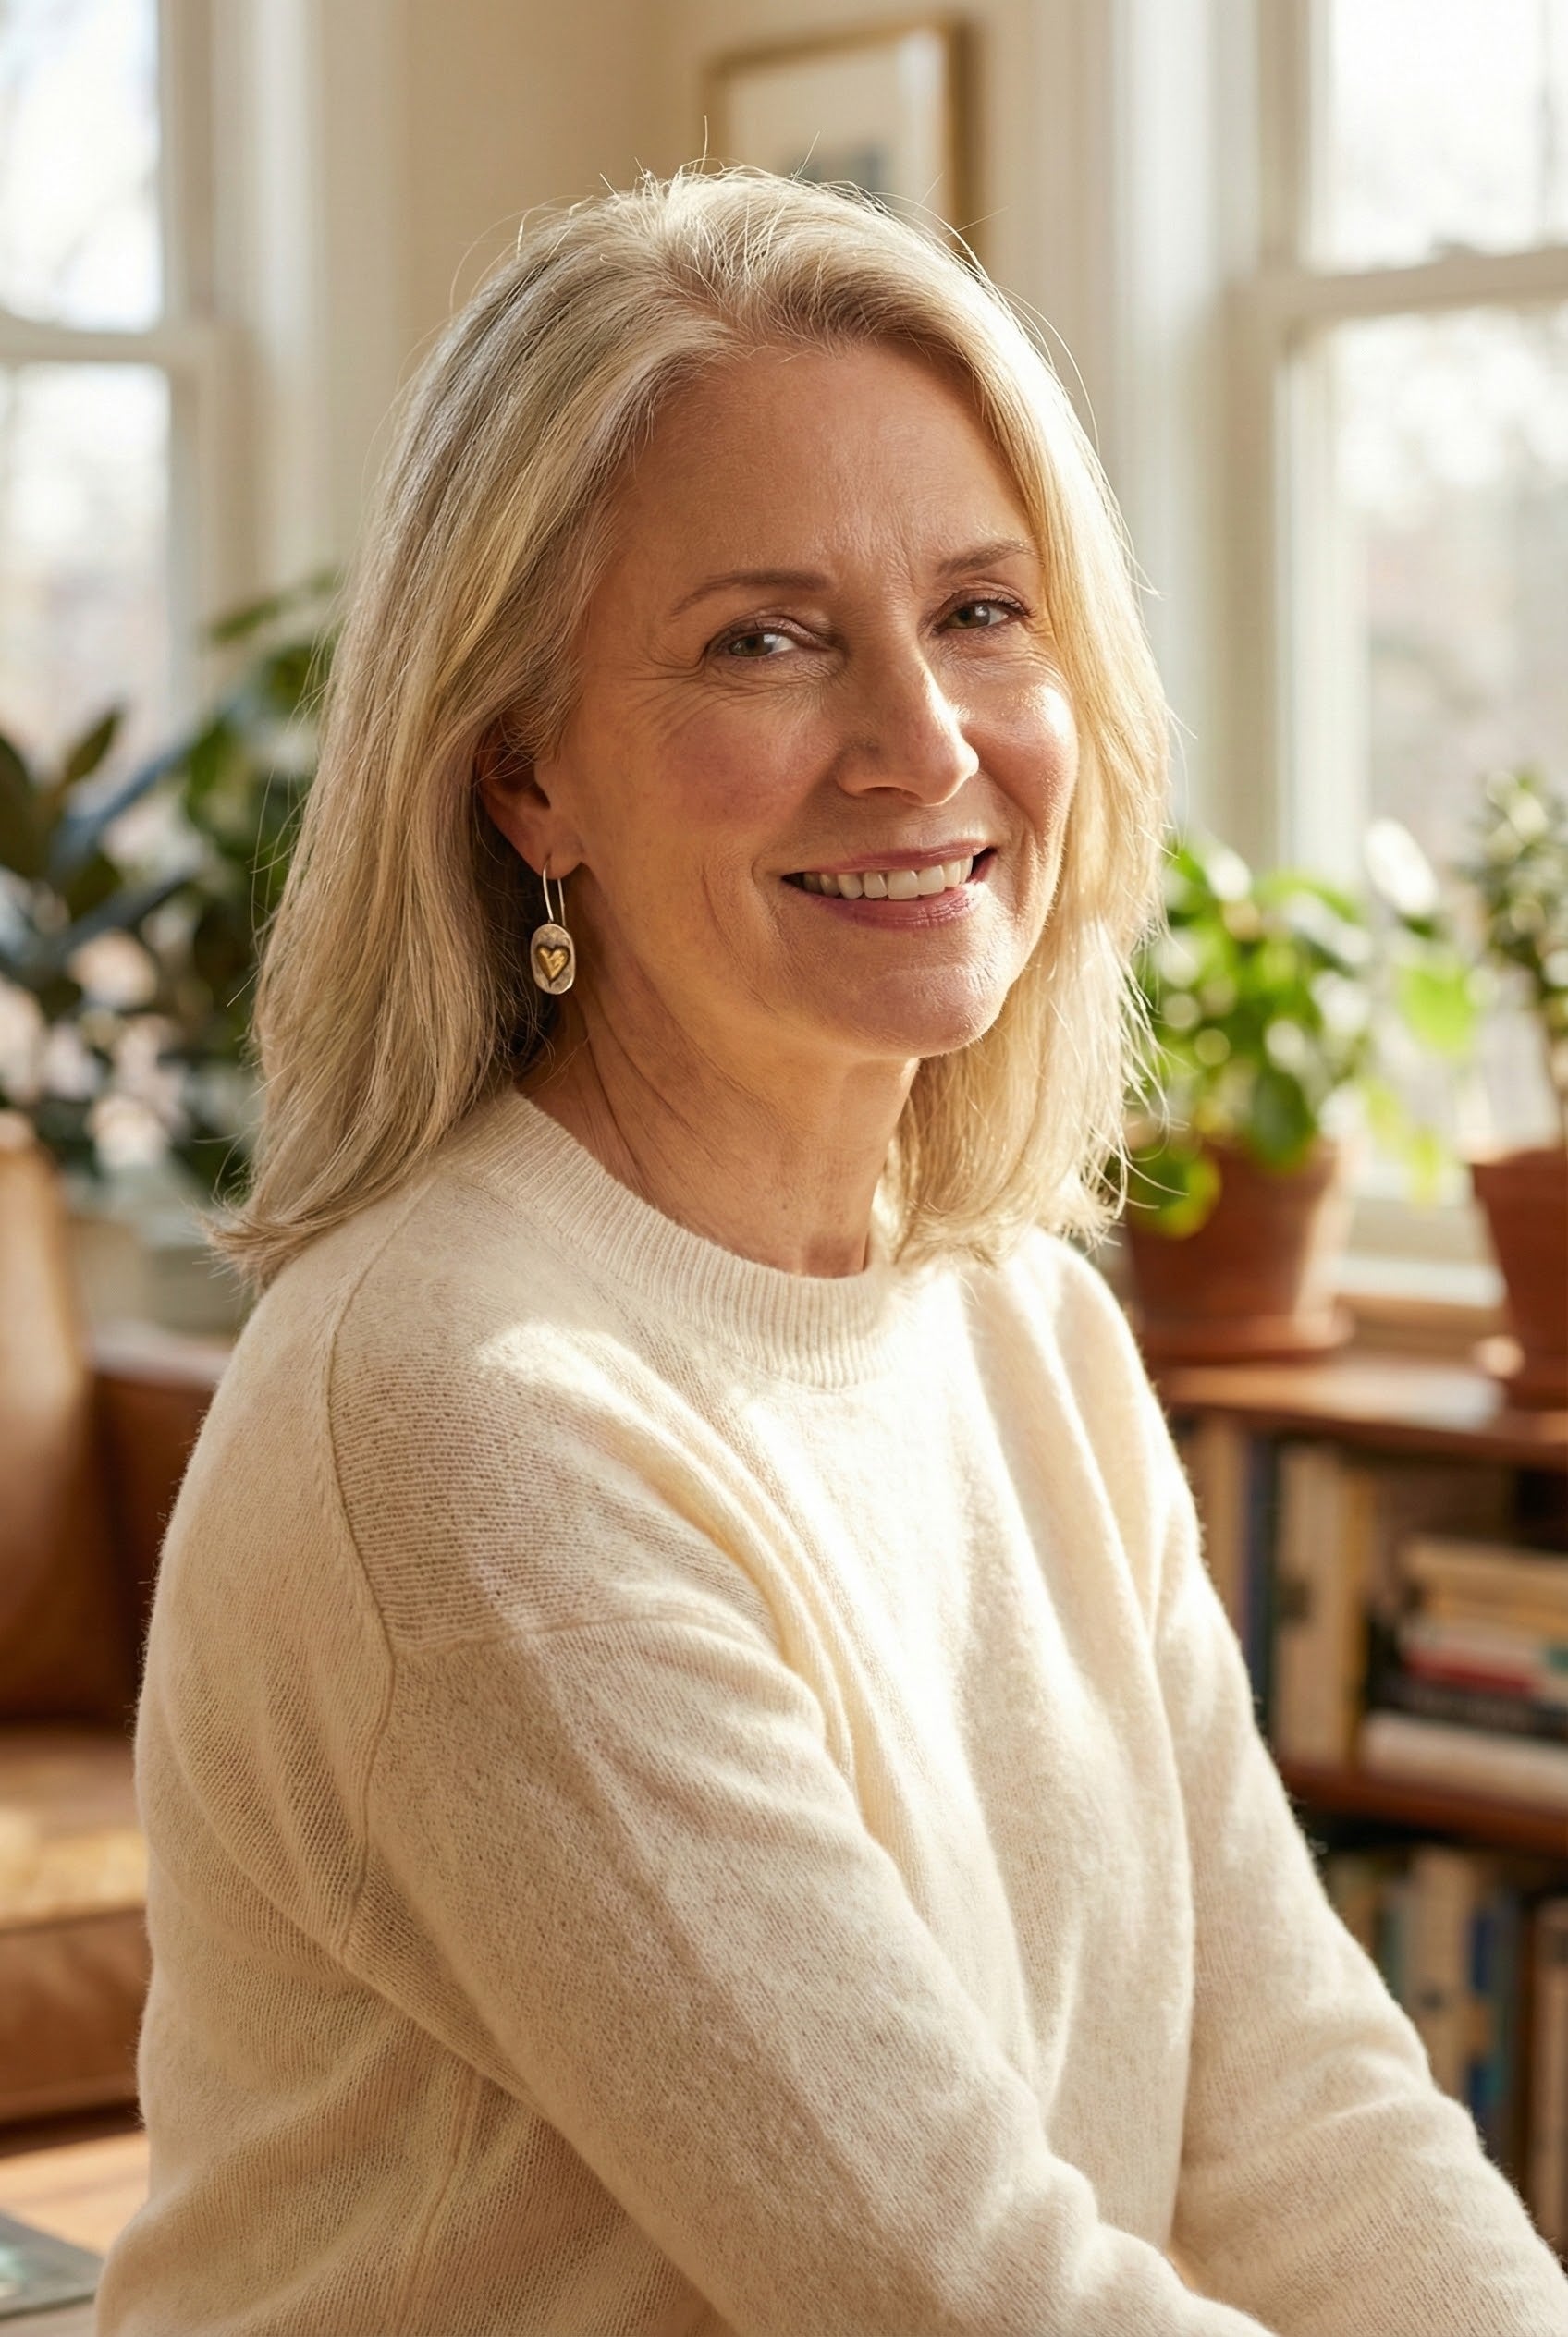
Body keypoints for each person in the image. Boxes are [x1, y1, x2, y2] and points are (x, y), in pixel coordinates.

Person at [94, 166, 1567, 2336]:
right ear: (523, 777)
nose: (921, 743)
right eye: (763, 640)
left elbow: (1298, 2105)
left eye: (981, 611)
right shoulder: (454, 1404)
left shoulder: (1027, 1329)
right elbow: (962, 2295)